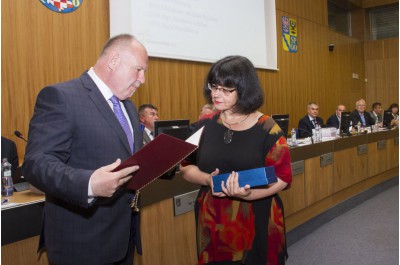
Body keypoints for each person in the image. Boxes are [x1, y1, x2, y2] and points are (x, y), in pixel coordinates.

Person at [23, 34, 148, 265]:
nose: (142, 79)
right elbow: (36, 163)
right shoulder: (62, 97)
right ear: (113, 61)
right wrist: (89, 184)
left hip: (123, 239)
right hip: (81, 244)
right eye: (138, 70)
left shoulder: (129, 107)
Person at [180, 55, 292, 265]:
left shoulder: (268, 128)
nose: (216, 94)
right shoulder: (204, 124)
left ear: (245, 89)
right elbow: (185, 166)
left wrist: (250, 195)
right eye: (214, 87)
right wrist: (208, 180)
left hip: (257, 215)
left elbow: (283, 177)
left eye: (226, 89)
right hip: (214, 220)